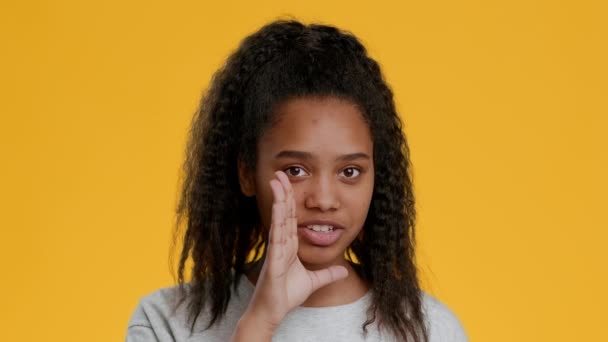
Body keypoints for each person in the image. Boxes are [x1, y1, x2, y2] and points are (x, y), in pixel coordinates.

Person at [126, 19, 468, 342]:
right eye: (296, 170)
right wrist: (259, 321)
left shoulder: (428, 330)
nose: (323, 199)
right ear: (247, 173)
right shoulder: (167, 322)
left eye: (350, 172)